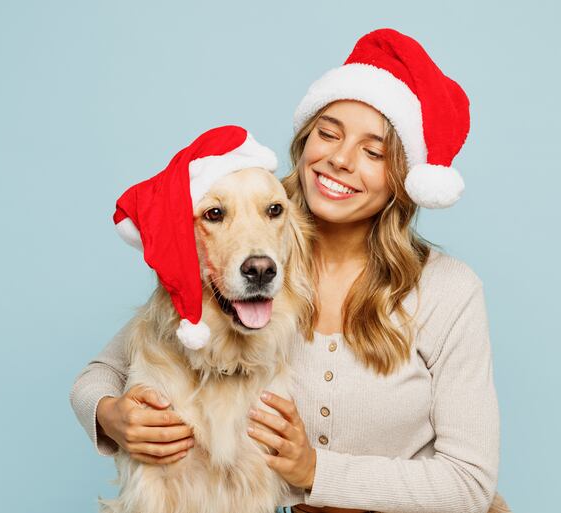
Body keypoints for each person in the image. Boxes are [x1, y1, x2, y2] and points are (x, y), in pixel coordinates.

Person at [70, 28, 501, 513]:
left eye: (373, 152)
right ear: (303, 140)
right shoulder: (249, 242)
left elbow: (470, 483)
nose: (339, 159)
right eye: (328, 133)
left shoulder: (448, 290)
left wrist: (317, 471)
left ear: (403, 176)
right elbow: (106, 371)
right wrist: (111, 417)